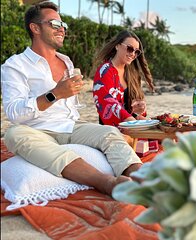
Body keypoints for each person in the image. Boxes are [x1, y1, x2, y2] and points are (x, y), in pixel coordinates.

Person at [1, 1, 142, 196]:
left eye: (63, 25)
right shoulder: (15, 65)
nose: (62, 30)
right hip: (36, 130)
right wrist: (55, 94)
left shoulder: (66, 61)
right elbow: (14, 113)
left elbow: (71, 107)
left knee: (108, 132)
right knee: (13, 135)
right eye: (55, 25)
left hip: (69, 126)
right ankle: (107, 183)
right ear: (35, 28)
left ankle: (143, 179)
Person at [92, 30, 155, 126]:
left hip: (133, 127)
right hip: (114, 130)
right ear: (117, 46)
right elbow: (107, 102)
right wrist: (132, 121)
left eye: (136, 52)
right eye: (130, 48)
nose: (133, 54)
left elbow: (135, 111)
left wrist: (140, 110)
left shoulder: (133, 74)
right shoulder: (104, 71)